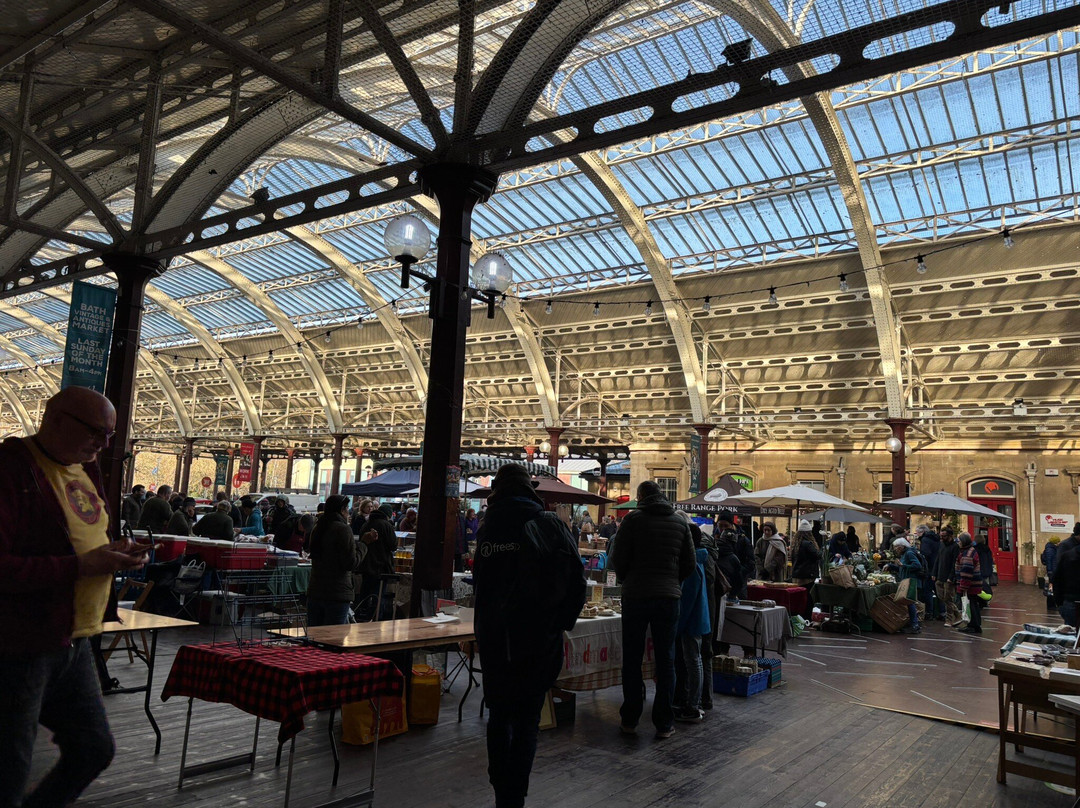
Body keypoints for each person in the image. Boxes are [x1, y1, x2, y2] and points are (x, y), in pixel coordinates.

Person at [0, 386, 149, 808]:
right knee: (8, 769)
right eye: (97, 433)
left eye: (109, 436)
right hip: (20, 645)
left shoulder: (87, 468)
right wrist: (83, 567)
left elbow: (82, 538)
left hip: (75, 639)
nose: (104, 444)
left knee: (92, 750)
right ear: (56, 418)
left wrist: (114, 552)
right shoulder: (11, 469)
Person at [473, 464, 585, 808]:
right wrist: (560, 622)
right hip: (537, 638)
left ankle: (499, 788)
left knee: (499, 716)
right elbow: (576, 580)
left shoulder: (487, 528)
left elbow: (481, 583)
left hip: (494, 638)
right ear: (529, 490)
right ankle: (514, 796)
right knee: (526, 721)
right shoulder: (547, 523)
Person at [608, 480, 695, 740]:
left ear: (641, 496)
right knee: (666, 658)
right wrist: (672, 581)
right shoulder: (680, 522)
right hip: (668, 598)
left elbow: (617, 559)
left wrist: (629, 579)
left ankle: (630, 719)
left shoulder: (633, 520)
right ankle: (664, 722)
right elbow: (689, 564)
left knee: (632, 658)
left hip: (636, 596)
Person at [307, 495, 374, 626]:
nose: (348, 512)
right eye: (347, 508)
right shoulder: (343, 529)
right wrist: (364, 544)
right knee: (334, 638)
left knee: (314, 636)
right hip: (337, 592)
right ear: (342, 510)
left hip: (316, 590)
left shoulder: (318, 527)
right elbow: (351, 563)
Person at [674, 529, 710, 724]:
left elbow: (687, 600)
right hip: (698, 619)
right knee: (695, 661)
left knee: (693, 662)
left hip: (691, 621)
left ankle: (693, 706)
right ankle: (693, 703)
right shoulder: (699, 560)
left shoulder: (692, 563)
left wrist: (678, 625)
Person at [356, 503, 398, 620]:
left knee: (365, 595)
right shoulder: (386, 525)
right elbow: (393, 545)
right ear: (387, 515)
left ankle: (361, 618)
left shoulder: (366, 524)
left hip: (365, 565)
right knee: (378, 597)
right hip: (381, 567)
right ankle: (376, 620)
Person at [893, 537, 923, 634]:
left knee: (910, 603)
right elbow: (902, 568)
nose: (895, 549)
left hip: (911, 581)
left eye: (896, 547)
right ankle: (913, 624)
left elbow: (917, 565)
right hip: (907, 580)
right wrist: (891, 566)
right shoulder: (904, 554)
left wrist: (904, 566)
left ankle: (915, 625)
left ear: (902, 547)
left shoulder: (909, 553)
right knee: (910, 603)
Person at [955, 532, 983, 634]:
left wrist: (963, 586)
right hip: (973, 583)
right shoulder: (969, 551)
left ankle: (973, 625)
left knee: (971, 604)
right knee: (973, 603)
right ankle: (975, 625)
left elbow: (967, 570)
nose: (958, 543)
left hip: (970, 584)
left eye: (959, 541)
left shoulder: (968, 553)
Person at [934, 527, 961, 626]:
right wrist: (934, 573)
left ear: (950, 536)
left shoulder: (955, 547)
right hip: (940, 575)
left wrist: (951, 576)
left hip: (949, 577)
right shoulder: (941, 545)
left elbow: (955, 563)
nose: (942, 538)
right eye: (941, 535)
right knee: (942, 597)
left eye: (944, 536)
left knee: (948, 598)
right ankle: (957, 613)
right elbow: (938, 559)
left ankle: (949, 619)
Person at [915, 524, 940, 620]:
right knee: (938, 592)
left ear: (922, 532)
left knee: (927, 591)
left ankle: (929, 612)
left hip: (929, 569)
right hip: (937, 568)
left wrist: (920, 557)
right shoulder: (936, 539)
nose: (917, 535)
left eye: (917, 533)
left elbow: (925, 555)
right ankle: (942, 612)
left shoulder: (925, 540)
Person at [791, 521, 821, 592]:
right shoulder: (808, 544)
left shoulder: (795, 544)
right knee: (808, 597)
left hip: (797, 574)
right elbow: (817, 555)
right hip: (808, 575)